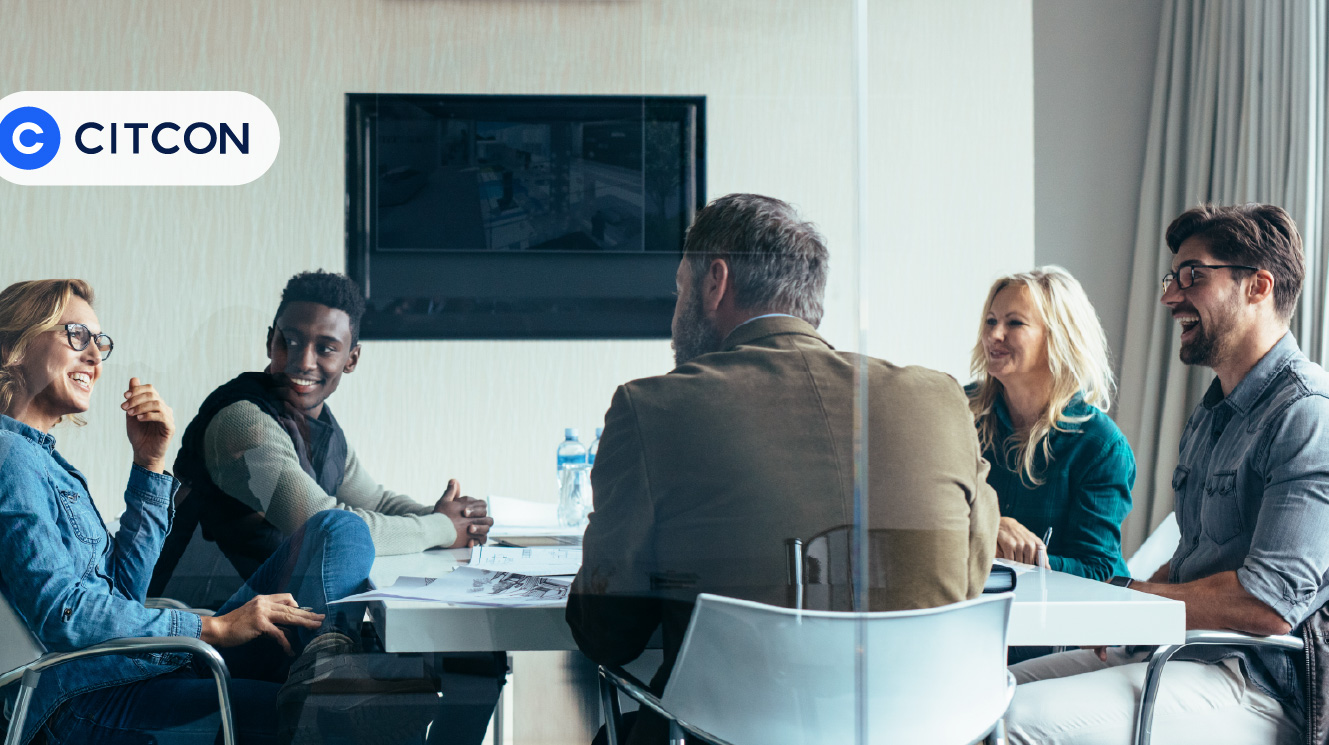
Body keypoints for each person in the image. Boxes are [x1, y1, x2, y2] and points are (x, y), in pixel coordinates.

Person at [566, 193, 1000, 745]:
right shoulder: (939, 400)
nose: (675, 313)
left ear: (714, 282)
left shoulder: (650, 409)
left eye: (679, 289)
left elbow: (607, 632)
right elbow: (965, 581)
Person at [0, 279, 375, 745]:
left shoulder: (33, 458)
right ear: (15, 342)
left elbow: (126, 593)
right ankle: (328, 692)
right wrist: (212, 628)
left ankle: (321, 674)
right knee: (337, 722)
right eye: (76, 336)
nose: (94, 357)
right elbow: (61, 611)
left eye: (99, 343)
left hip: (129, 667)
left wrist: (149, 464)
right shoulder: (1, 457)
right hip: (86, 698)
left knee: (340, 529)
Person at [1006, 203, 1329, 745]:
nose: (1168, 296)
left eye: (1192, 277)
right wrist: (1128, 607)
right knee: (981, 696)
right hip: (1180, 651)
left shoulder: (1307, 414)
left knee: (1010, 723)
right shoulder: (1211, 415)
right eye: (1171, 277)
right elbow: (1191, 565)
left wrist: (1130, 599)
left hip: (1253, 681)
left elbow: (1268, 605)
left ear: (1258, 286)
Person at [148, 270, 501, 745]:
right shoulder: (242, 423)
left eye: (325, 347)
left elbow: (374, 500)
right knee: (339, 537)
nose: (302, 360)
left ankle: (336, 678)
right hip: (213, 630)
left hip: (289, 626)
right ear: (269, 341)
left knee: (474, 654)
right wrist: (439, 526)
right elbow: (327, 520)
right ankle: (332, 685)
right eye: (288, 342)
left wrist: (449, 518)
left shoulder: (320, 425)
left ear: (351, 359)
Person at [966, 266, 1134, 582]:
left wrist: (1022, 558)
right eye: (991, 321)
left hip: (1065, 617)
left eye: (1014, 323)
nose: (993, 335)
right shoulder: (960, 412)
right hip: (980, 605)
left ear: (1059, 337)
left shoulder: (1101, 445)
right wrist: (991, 525)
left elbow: (1099, 570)